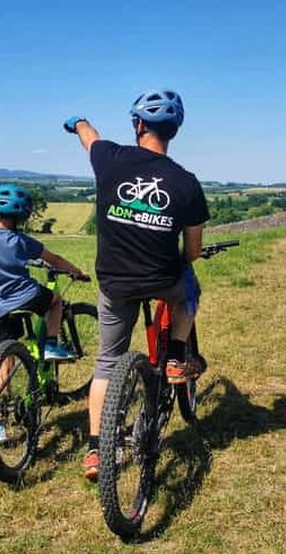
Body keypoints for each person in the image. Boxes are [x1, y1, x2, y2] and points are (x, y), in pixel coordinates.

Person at [63, 89, 210, 480]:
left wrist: (77, 122)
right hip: (163, 279)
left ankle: (96, 451)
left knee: (107, 363)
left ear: (139, 124)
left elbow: (89, 136)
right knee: (190, 289)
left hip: (114, 284)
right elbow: (192, 251)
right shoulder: (186, 182)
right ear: (174, 131)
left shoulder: (110, 157)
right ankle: (176, 355)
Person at [0, 183, 89, 443]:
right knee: (56, 301)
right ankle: (51, 345)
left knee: (5, 361)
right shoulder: (22, 241)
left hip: (0, 307)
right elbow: (55, 259)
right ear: (21, 217)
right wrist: (77, 272)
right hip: (29, 296)